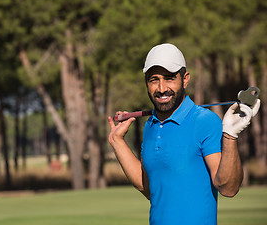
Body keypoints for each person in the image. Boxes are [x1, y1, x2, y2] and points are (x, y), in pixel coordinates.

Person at [108, 43, 261, 225]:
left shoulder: (204, 121)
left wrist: (230, 135)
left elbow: (228, 188)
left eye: (170, 78)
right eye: (153, 79)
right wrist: (117, 141)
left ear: (185, 79)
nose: (161, 88)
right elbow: (151, 188)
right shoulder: (150, 126)